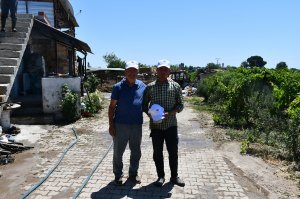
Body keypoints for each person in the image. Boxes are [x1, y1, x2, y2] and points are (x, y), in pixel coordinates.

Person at [143, 59, 185, 187]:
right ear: (156, 71)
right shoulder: (150, 87)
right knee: (157, 153)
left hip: (171, 125)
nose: (162, 71)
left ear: (169, 71)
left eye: (165, 69)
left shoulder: (175, 86)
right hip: (156, 126)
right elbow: (144, 105)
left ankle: (174, 176)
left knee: (173, 152)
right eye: (160, 69)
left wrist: (170, 113)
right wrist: (150, 113)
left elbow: (181, 105)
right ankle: (160, 176)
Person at [108, 60, 146, 185]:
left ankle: (133, 174)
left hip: (136, 125)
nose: (132, 73)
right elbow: (112, 107)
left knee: (136, 151)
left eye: (134, 70)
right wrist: (111, 125)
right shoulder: (118, 87)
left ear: (137, 72)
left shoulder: (142, 86)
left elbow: (146, 105)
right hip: (120, 125)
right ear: (125, 72)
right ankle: (118, 175)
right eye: (129, 70)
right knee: (118, 152)